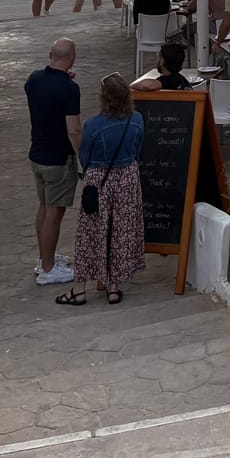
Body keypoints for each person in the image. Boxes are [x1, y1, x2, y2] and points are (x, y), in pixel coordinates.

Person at [61, 74, 145, 307]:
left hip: (99, 180)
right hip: (128, 177)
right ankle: (114, 286)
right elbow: (138, 149)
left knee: (90, 233)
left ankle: (80, 288)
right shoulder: (136, 120)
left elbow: (85, 155)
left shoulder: (93, 126)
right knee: (120, 231)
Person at [25, 39, 82, 286]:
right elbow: (73, 129)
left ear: (50, 55)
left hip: (37, 153)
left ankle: (44, 258)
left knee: (44, 207)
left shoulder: (34, 79)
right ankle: (48, 269)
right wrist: (82, 158)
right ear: (73, 58)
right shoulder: (70, 89)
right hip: (58, 158)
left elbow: (45, 92)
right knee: (54, 214)